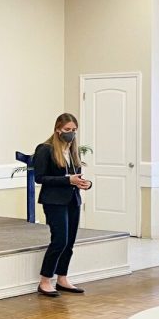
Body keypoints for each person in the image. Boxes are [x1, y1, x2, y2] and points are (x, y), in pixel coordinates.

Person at [33, 113, 92, 297]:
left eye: (74, 130)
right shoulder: (45, 149)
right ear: (58, 129)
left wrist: (85, 183)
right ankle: (45, 280)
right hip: (54, 201)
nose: (71, 133)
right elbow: (40, 178)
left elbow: (77, 176)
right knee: (60, 240)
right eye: (67, 130)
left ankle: (62, 278)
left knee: (70, 241)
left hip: (73, 200)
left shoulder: (73, 151)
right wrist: (68, 181)